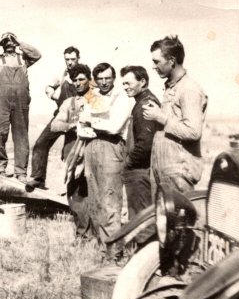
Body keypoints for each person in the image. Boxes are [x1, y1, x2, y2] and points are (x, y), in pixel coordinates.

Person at [79, 63, 134, 261]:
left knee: (110, 200)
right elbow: (81, 122)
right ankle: (103, 247)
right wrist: (90, 122)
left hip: (111, 147)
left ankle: (114, 252)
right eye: (100, 78)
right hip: (91, 146)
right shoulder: (92, 96)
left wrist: (92, 120)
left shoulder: (122, 97)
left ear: (114, 79)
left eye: (107, 78)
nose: (104, 82)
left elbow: (114, 126)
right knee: (95, 199)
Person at [143, 36, 207, 194]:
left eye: (156, 62)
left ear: (171, 61)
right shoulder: (172, 87)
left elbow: (193, 131)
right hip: (165, 171)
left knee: (178, 212)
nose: (153, 66)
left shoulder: (188, 89)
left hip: (178, 173)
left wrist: (160, 117)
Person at [0, 32, 42, 181]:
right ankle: (0, 166)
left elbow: (37, 55)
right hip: (0, 101)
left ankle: (20, 172)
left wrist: (19, 41)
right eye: (6, 41)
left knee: (21, 136)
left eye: (11, 40)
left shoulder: (23, 59)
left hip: (21, 101)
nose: (9, 43)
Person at [27, 46, 81, 189]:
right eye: (67, 59)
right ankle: (38, 178)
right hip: (61, 115)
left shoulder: (84, 74)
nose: (70, 62)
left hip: (77, 118)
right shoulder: (62, 74)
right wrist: (52, 94)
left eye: (73, 59)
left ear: (78, 59)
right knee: (41, 143)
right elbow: (49, 87)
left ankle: (73, 191)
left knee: (70, 154)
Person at [120, 65, 162, 248]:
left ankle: (145, 255)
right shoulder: (142, 102)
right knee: (140, 217)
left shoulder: (145, 104)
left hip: (140, 171)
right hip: (139, 170)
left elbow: (145, 144)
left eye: (128, 83)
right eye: (123, 84)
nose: (125, 87)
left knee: (142, 218)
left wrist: (128, 163)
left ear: (142, 82)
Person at [50, 64, 93, 240]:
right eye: (75, 80)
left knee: (94, 194)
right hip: (73, 154)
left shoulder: (97, 100)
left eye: (82, 79)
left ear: (89, 80)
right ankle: (83, 235)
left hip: (92, 153)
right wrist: (72, 125)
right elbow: (55, 125)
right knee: (75, 195)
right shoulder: (69, 103)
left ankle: (97, 234)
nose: (78, 83)